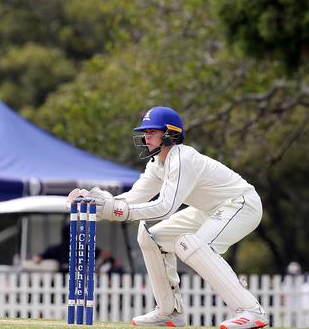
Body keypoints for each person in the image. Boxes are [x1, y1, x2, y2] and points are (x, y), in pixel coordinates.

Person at [68, 106, 268, 328]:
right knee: (152, 237)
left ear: (171, 133)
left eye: (152, 131)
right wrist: (98, 202)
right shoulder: (157, 164)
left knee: (190, 244)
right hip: (208, 209)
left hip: (241, 204)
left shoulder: (183, 158)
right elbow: (133, 198)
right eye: (145, 132)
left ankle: (251, 310)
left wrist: (119, 212)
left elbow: (165, 208)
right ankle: (169, 312)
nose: (146, 137)